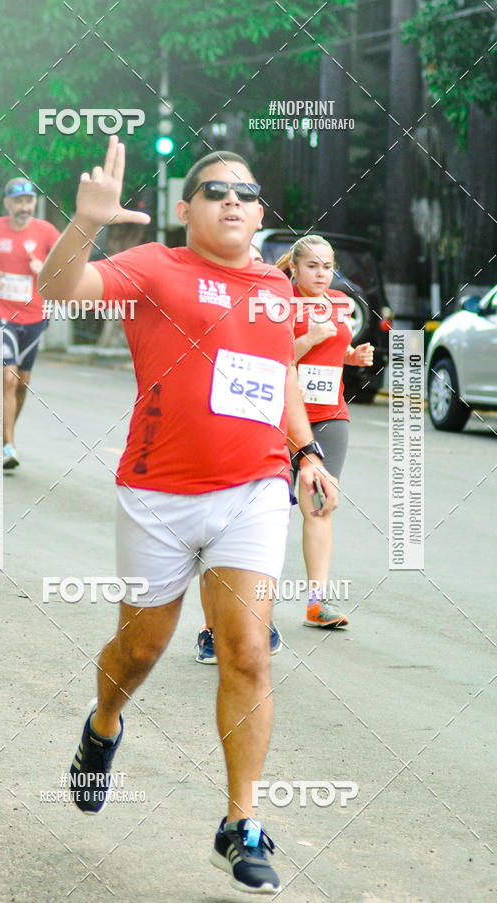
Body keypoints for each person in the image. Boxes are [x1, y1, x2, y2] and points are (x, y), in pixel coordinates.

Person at [39, 136, 338, 895]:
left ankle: (240, 822)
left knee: (247, 649)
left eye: (245, 189)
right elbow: (61, 289)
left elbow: (279, 380)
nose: (232, 199)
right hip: (159, 496)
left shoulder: (276, 287)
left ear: (260, 210)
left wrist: (306, 453)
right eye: (214, 190)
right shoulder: (155, 267)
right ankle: (103, 724)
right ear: (184, 209)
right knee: (140, 651)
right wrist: (86, 225)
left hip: (254, 491)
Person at [277, 235, 374, 628]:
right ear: (296, 268)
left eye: (327, 266)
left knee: (319, 503)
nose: (321, 274)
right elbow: (272, 357)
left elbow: (333, 350)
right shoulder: (280, 302)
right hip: (283, 417)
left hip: (330, 415)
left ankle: (317, 602)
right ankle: (244, 605)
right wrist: (310, 338)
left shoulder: (338, 302)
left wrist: (352, 357)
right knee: (268, 511)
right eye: (313, 266)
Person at [195, 241, 281, 664]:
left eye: (258, 260)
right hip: (209, 450)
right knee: (210, 550)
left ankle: (256, 617)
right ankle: (211, 630)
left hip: (265, 452)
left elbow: (290, 369)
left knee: (259, 542)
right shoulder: (209, 307)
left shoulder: (275, 307)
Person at [0, 178, 59, 469]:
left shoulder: (46, 232)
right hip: (0, 310)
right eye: (18, 201)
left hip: (35, 314)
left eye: (28, 200)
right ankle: (7, 445)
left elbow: (66, 267)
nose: (24, 206)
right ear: (7, 203)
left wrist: (44, 269)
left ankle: (6, 434)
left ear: (34, 202)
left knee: (22, 383)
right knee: (7, 377)